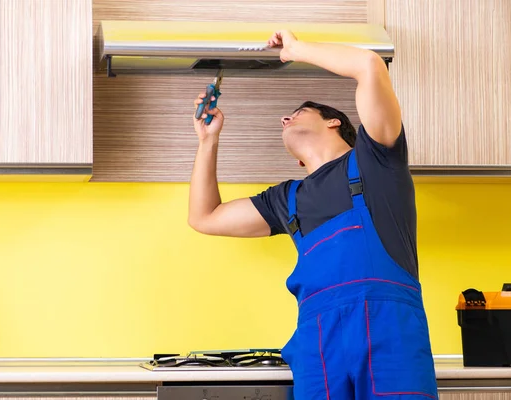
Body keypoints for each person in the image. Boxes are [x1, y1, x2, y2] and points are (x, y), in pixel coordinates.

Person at [188, 29, 439, 400]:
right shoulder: (286, 198)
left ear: (334, 122)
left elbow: (369, 65)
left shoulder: (377, 160)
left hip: (391, 336)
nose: (284, 120)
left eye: (298, 113)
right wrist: (208, 141)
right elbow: (204, 217)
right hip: (318, 343)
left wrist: (297, 49)